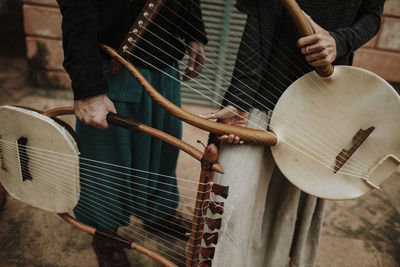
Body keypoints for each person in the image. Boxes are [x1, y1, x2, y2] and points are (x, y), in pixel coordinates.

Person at [202, 0, 385, 266]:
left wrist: (339, 42)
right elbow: (259, 17)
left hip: (322, 99)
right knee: (231, 204)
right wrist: (240, 100)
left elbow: (372, 15)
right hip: (260, 96)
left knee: (285, 214)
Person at [56, 0, 207, 266]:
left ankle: (157, 212)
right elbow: (77, 12)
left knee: (162, 149)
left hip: (165, 55)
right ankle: (104, 232)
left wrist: (194, 34)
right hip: (115, 61)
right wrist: (89, 89)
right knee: (106, 158)